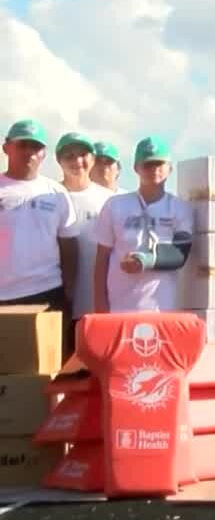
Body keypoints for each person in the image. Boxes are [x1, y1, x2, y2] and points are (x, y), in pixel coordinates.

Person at [93, 137, 194, 314]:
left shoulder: (180, 208)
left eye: (159, 163)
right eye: (147, 164)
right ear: (136, 168)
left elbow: (180, 254)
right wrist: (100, 304)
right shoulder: (114, 205)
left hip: (162, 308)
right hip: (120, 307)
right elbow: (102, 259)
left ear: (170, 168)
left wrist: (144, 261)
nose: (154, 169)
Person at [0, 119, 77, 342]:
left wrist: (68, 291)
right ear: (6, 147)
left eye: (36, 147)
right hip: (2, 296)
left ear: (44, 153)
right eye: (23, 145)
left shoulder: (56, 192)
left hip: (46, 293)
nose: (30, 153)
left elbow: (69, 246)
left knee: (48, 371)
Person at [56, 132, 114, 348]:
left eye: (83, 155)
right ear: (58, 160)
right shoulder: (51, 195)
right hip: (59, 304)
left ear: (92, 158)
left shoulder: (109, 200)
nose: (77, 161)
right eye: (69, 156)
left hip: (98, 306)